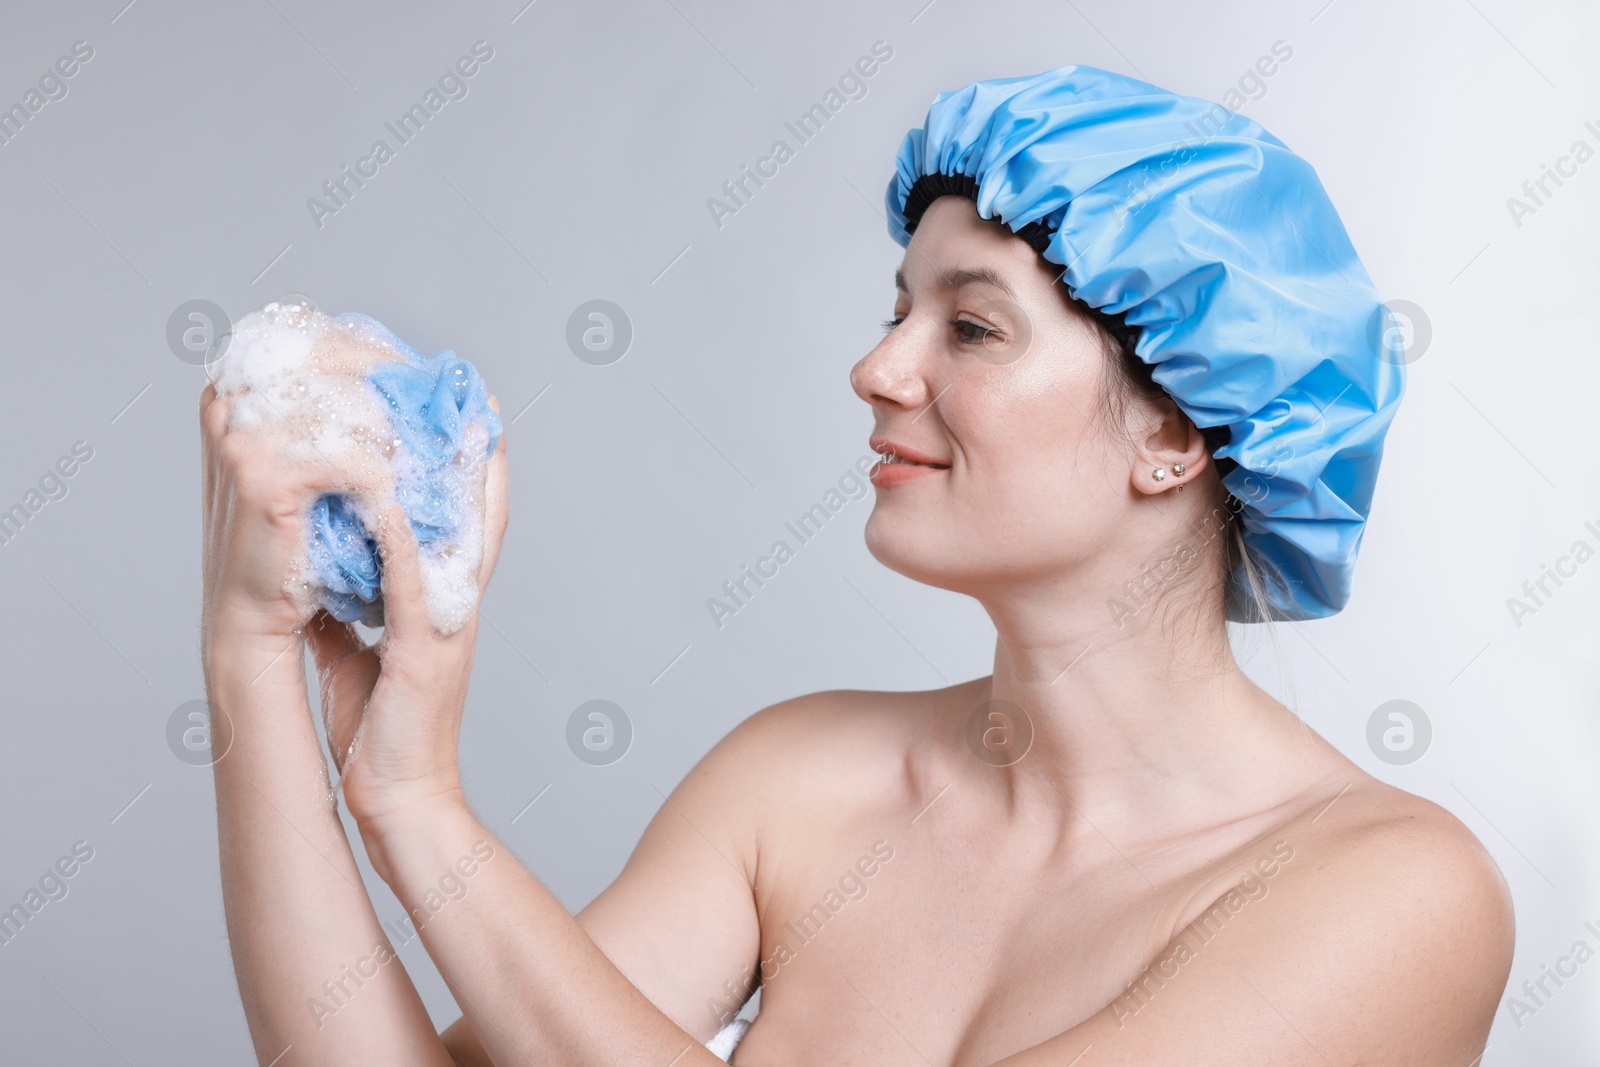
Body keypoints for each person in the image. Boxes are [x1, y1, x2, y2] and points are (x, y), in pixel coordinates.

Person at [199, 64, 1514, 1066]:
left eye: (973, 327)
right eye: (900, 309)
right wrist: (255, 656)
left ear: (1175, 428)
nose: (879, 370)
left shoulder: (1393, 893)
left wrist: (428, 814)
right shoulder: (801, 780)